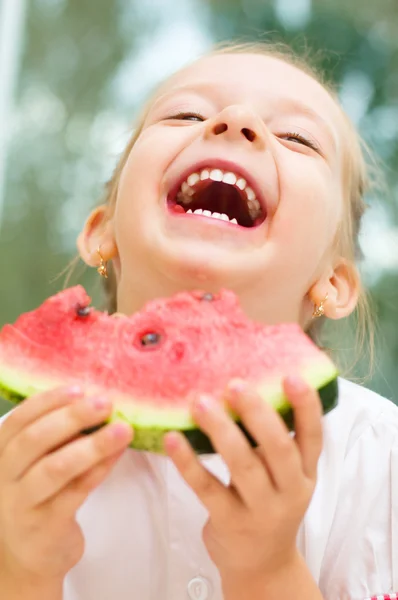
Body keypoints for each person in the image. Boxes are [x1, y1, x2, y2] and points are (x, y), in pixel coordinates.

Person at [0, 42, 397, 600]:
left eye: (298, 138)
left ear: (334, 283)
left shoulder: (378, 460)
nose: (237, 121)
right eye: (186, 114)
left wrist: (269, 571)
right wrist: (20, 570)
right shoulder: (14, 463)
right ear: (101, 231)